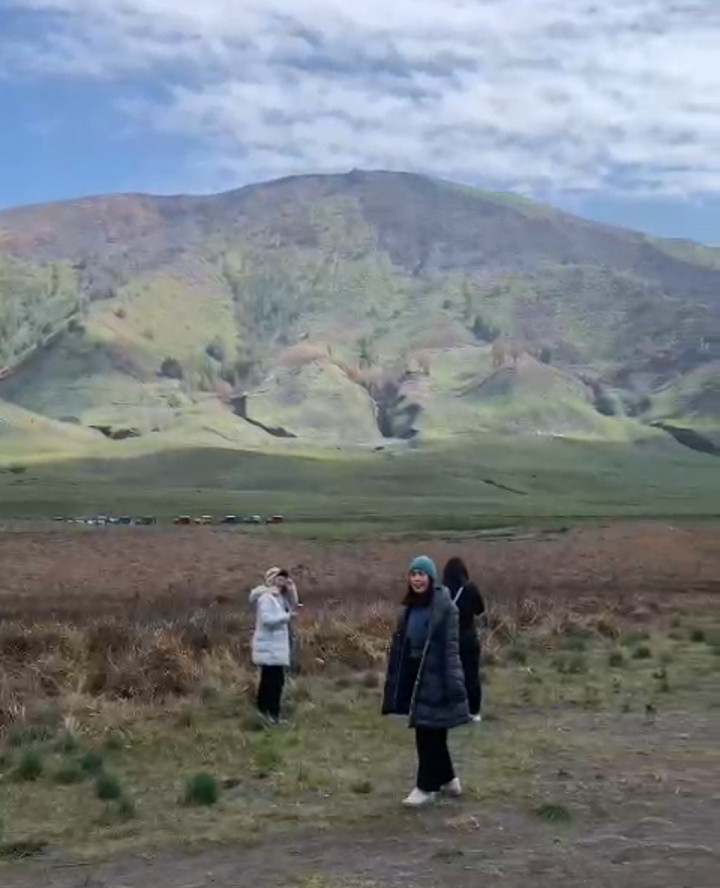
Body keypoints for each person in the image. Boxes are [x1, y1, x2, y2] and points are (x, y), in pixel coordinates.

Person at [382, 555, 470, 807]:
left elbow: (451, 651)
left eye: (422, 574)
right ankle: (449, 779)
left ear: (431, 578)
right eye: (413, 574)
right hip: (415, 676)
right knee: (433, 732)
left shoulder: (445, 609)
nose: (417, 579)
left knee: (427, 733)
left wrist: (455, 685)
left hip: (437, 678)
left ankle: (426, 787)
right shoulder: (410, 608)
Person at [249, 567, 298, 722]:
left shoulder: (280, 598)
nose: (282, 580)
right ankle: (270, 715)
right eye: (279, 577)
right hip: (269, 647)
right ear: (271, 580)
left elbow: (294, 602)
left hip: (275, 647)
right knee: (273, 682)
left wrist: (292, 588)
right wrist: (286, 617)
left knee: (272, 681)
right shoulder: (266, 598)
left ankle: (266, 714)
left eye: (284, 577)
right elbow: (267, 620)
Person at [442, 557, 486, 723]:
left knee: (450, 676)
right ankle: (474, 712)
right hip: (468, 638)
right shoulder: (470, 589)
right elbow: (480, 610)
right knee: (471, 675)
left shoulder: (442, 591)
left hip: (448, 640)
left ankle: (452, 709)